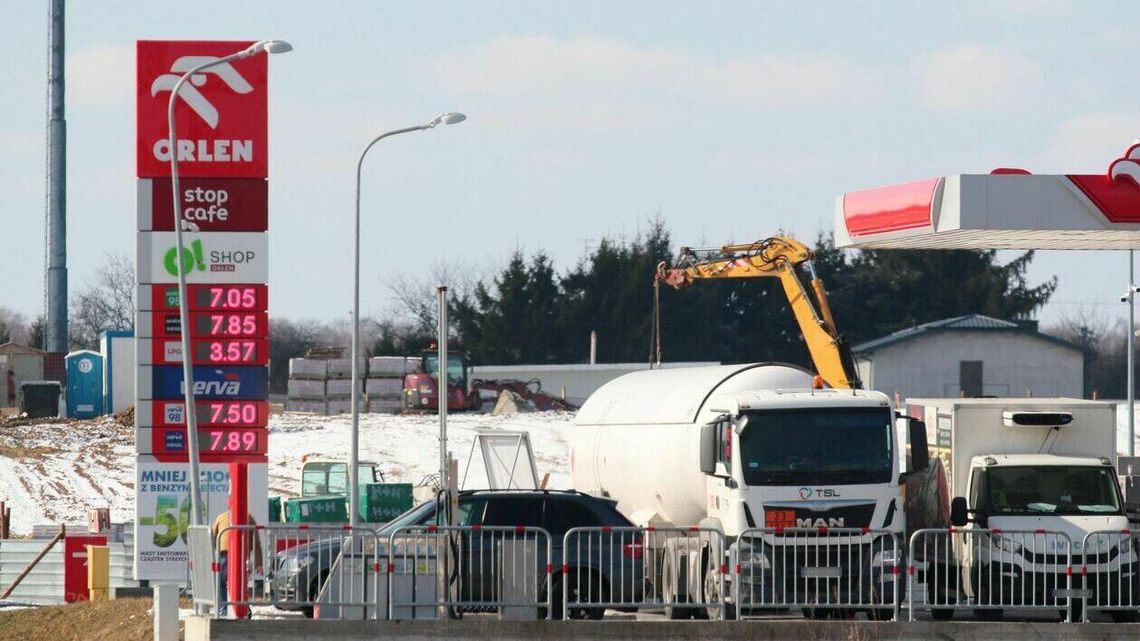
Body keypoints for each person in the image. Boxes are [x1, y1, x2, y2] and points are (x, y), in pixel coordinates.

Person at [210, 510, 263, 618]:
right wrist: (258, 563)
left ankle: (224, 609)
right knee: (240, 582)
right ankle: (242, 607)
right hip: (242, 553)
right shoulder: (249, 518)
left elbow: (212, 536)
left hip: (224, 552)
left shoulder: (221, 517)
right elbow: (256, 542)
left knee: (221, 582)